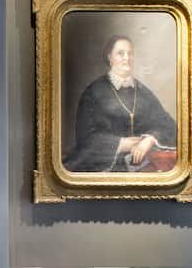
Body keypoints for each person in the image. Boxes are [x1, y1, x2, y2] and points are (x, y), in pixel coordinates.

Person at [63, 35, 177, 173]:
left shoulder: (143, 91)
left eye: (130, 53)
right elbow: (85, 137)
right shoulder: (93, 92)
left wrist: (149, 140)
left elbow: (167, 124)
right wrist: (121, 144)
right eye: (120, 53)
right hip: (104, 164)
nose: (126, 58)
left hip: (140, 162)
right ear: (110, 58)